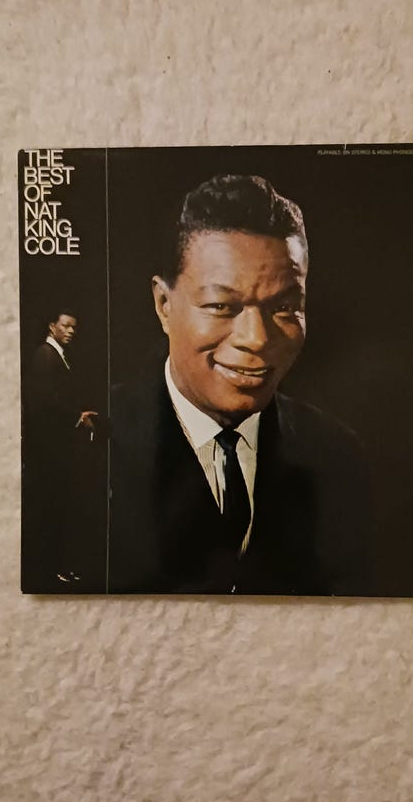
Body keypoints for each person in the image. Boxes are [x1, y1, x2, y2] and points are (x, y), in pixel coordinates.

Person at [109, 174, 371, 595]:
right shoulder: (87, 450)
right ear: (163, 305)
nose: (257, 339)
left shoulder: (337, 457)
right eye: (221, 306)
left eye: (284, 307)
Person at [22, 309, 98, 588]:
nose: (71, 331)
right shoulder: (45, 355)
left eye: (74, 327)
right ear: (52, 326)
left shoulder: (57, 355)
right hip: (49, 451)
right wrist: (77, 417)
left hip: (57, 449)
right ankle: (51, 569)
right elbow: (44, 402)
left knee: (60, 507)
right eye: (66, 326)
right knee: (52, 508)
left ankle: (59, 567)